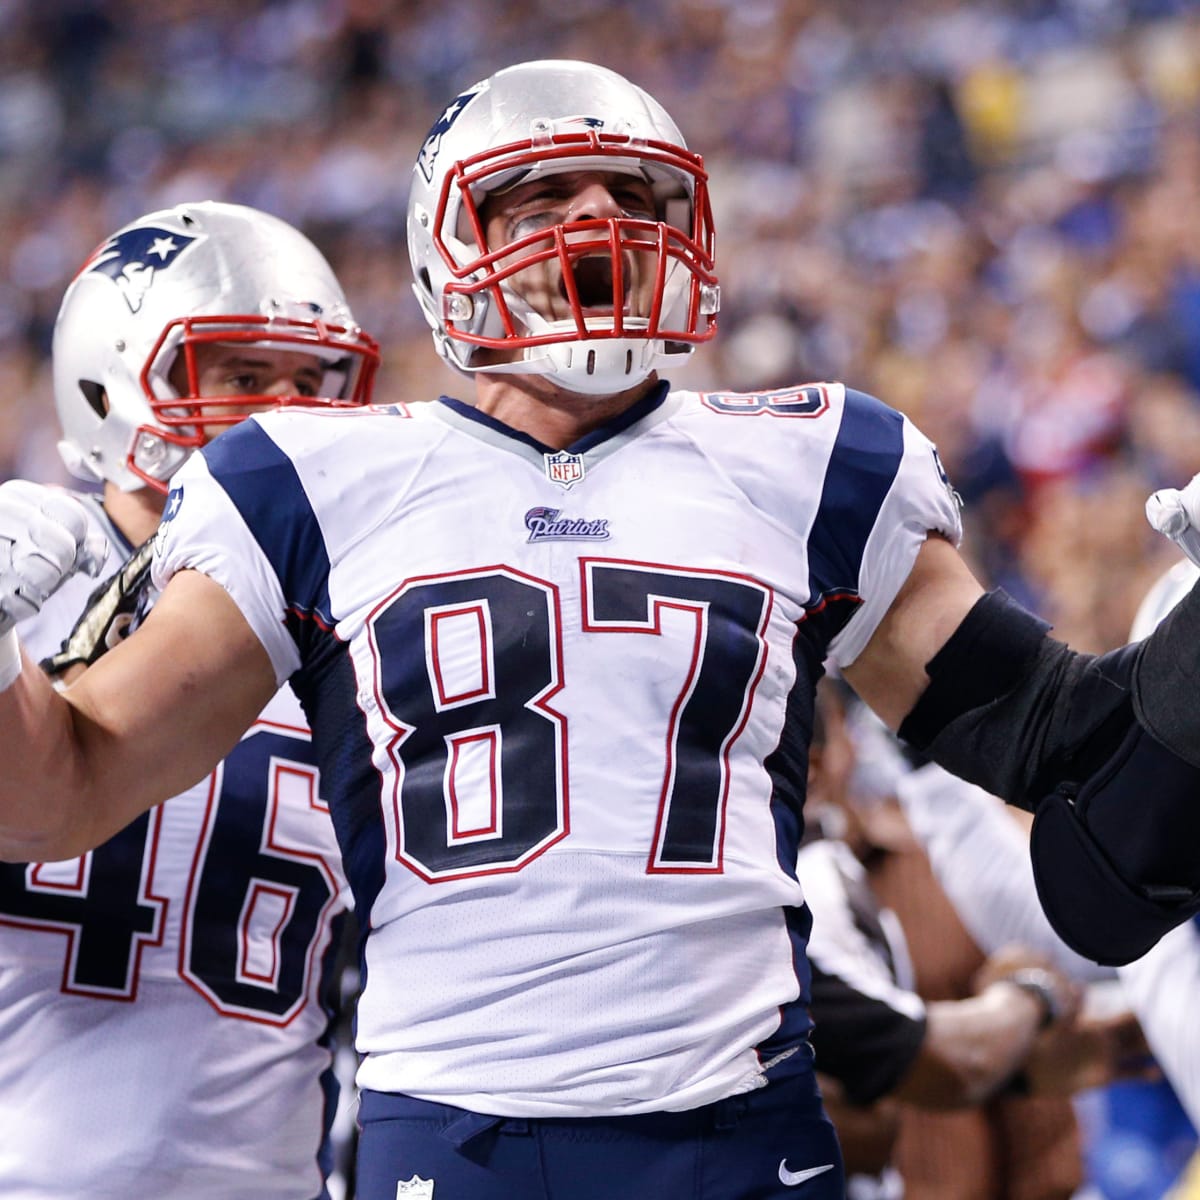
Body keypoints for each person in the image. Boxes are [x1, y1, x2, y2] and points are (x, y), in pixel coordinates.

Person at [1, 59, 1200, 1199]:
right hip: (453, 1126)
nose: (599, 218)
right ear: (449, 242)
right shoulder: (312, 479)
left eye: (636, 192)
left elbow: (1059, 747)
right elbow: (64, 788)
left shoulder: (809, 459)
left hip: (741, 1117)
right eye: (541, 192)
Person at [0, 200, 379, 1198]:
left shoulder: (360, 629)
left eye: (312, 381)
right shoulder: (26, 582)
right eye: (246, 376)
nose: (288, 413)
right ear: (111, 381)